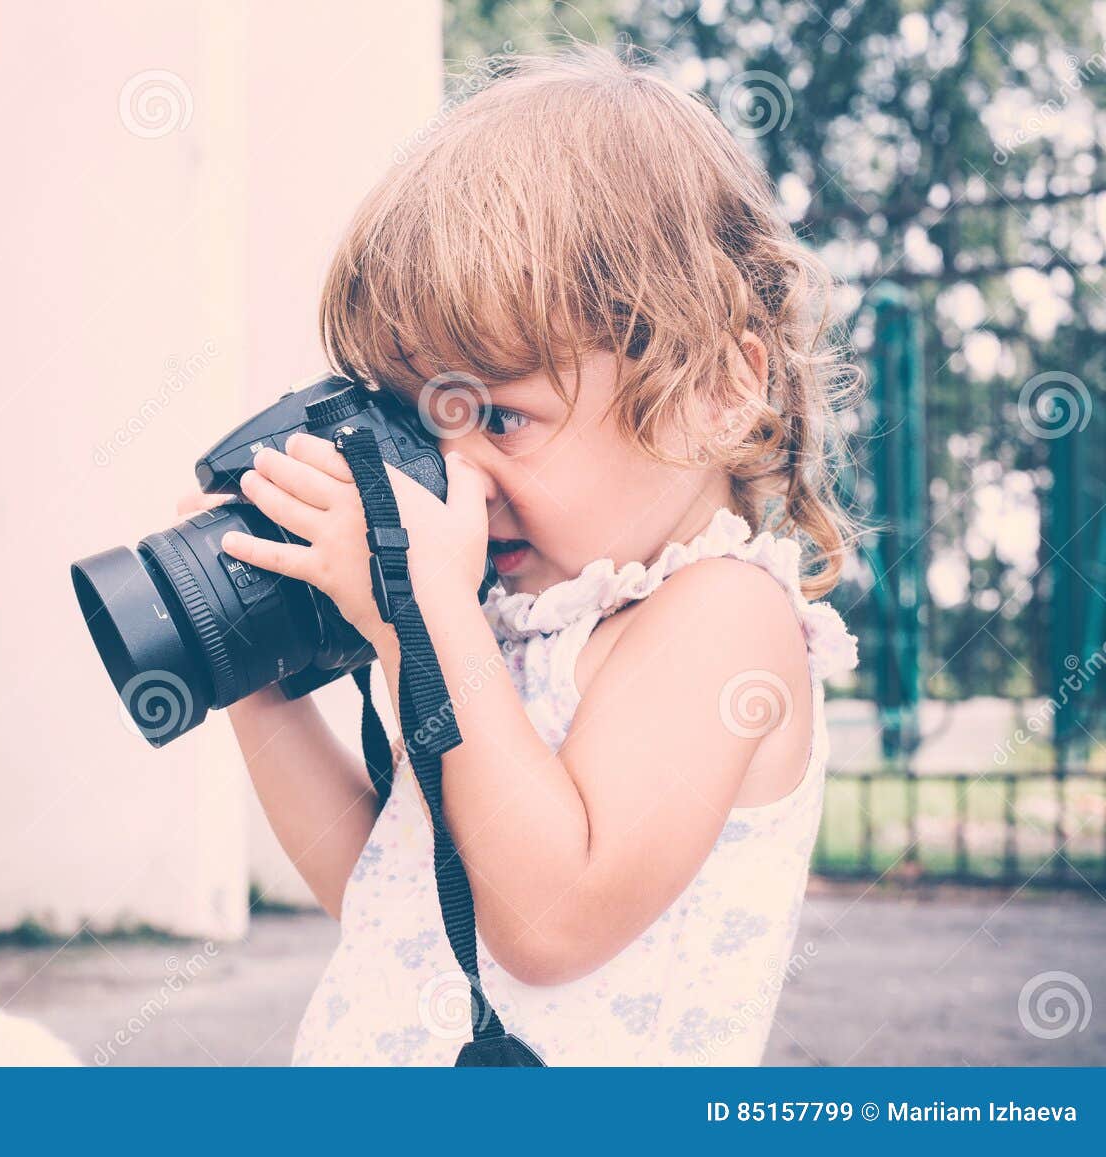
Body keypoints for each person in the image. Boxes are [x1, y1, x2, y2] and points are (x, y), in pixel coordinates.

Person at [180, 45, 859, 1065]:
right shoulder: (500, 616)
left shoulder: (722, 619)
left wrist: (428, 613)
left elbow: (549, 921)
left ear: (714, 390)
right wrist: (250, 668)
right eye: (419, 423)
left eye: (500, 417)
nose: (454, 481)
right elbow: (391, 886)